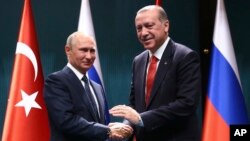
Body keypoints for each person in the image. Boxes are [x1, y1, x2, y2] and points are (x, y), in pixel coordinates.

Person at [109, 5, 201, 141]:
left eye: (149, 26)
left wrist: (141, 118)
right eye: (139, 28)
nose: (143, 33)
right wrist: (127, 127)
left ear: (166, 26)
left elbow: (186, 104)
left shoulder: (185, 56)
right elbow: (134, 104)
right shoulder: (138, 61)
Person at [43, 31, 132, 141]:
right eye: (83, 50)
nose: (89, 56)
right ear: (68, 50)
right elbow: (66, 121)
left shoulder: (97, 88)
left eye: (92, 51)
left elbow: (96, 126)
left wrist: (110, 129)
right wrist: (107, 130)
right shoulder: (56, 81)